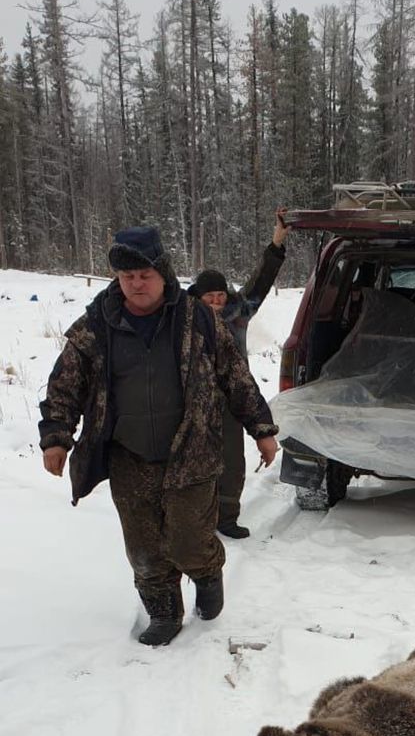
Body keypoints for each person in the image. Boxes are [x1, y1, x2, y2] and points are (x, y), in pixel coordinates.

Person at [39, 225, 279, 646]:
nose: (136, 283)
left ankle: (207, 572)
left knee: (189, 540)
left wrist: (261, 429)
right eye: (126, 275)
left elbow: (236, 378)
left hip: (192, 450)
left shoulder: (197, 319)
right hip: (128, 453)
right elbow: (65, 383)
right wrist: (57, 435)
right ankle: (164, 613)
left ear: (163, 273)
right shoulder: (97, 324)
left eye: (144, 274)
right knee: (145, 547)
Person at [188, 210, 289, 539]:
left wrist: (277, 241)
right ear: (197, 298)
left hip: (232, 401)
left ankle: (226, 518)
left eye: (220, 296)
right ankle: (196, 520)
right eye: (209, 297)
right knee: (194, 464)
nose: (216, 302)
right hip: (192, 403)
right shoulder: (183, 320)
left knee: (231, 463)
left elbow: (262, 280)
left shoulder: (238, 314)